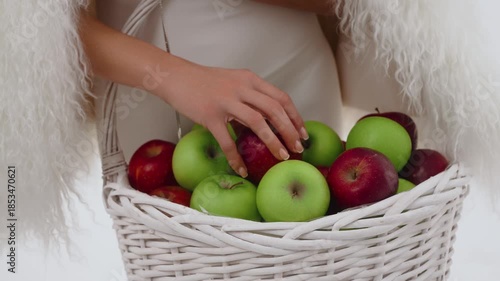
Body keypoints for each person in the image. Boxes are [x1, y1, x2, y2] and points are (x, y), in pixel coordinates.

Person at [81, 0, 343, 178]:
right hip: (151, 90)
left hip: (298, 72)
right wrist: (176, 77)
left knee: (320, 246)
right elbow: (49, 30)